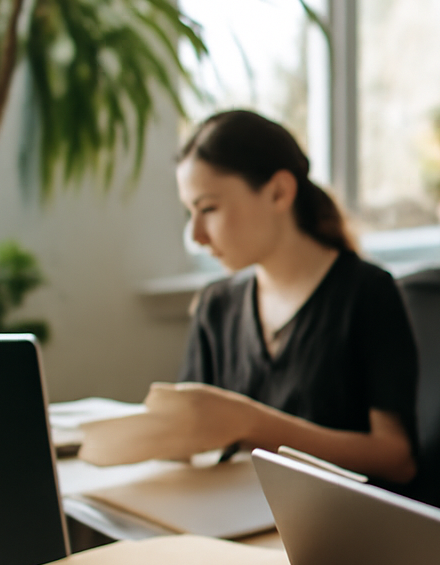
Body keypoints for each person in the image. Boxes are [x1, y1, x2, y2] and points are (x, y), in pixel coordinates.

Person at [159, 109, 419, 487]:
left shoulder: (367, 293)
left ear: (279, 192)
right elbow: (189, 440)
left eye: (209, 209)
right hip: (237, 514)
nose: (196, 235)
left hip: (334, 525)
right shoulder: (215, 306)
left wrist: (254, 424)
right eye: (190, 213)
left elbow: (397, 460)